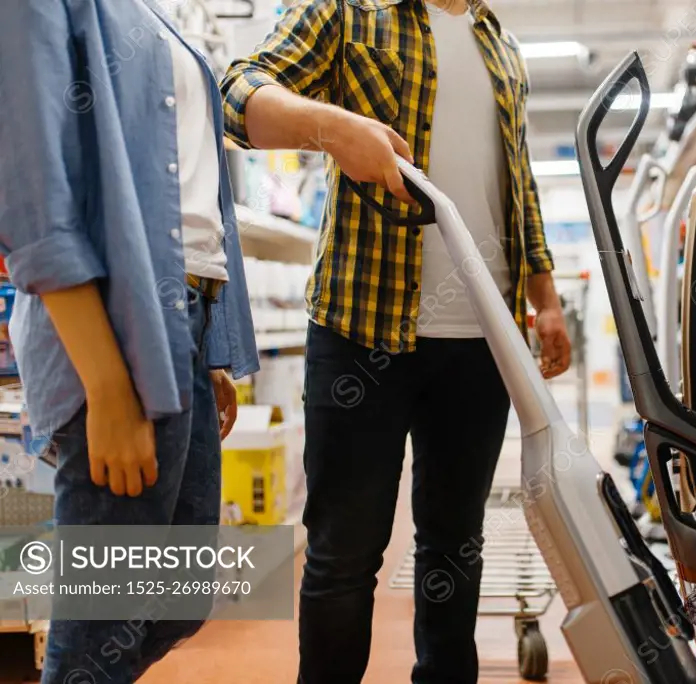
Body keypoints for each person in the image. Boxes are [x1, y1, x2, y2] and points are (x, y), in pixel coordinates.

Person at [221, 0, 571, 681]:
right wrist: (332, 126)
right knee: (343, 554)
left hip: (483, 337)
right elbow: (236, 94)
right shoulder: (350, 11)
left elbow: (518, 180)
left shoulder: (499, 42)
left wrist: (544, 298)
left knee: (454, 546)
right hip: (362, 327)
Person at [0, 1, 259, 681]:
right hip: (117, 331)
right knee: (98, 633)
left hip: (183, 329)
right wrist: (108, 384)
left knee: (179, 597)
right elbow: (32, 193)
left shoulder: (151, 10)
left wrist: (205, 345)